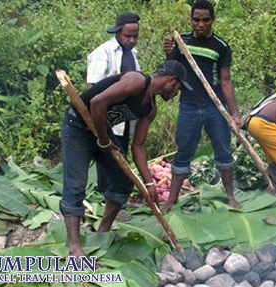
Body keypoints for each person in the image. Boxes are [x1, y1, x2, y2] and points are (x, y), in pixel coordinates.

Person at [60, 60, 192, 259]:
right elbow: (97, 102)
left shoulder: (150, 108)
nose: (175, 95)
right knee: (76, 184)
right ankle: (75, 247)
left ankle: (103, 232)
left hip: (101, 132)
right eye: (178, 89)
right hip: (78, 126)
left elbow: (138, 146)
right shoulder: (136, 81)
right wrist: (104, 141)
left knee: (124, 179)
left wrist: (148, 183)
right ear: (171, 81)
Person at [160, 0, 241, 212]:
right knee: (183, 153)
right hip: (188, 106)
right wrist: (169, 52)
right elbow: (171, 70)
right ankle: (172, 199)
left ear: (213, 20)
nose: (201, 24)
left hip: (215, 108)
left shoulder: (221, 46)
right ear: (191, 20)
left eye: (206, 20)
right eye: (196, 20)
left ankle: (230, 196)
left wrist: (234, 114)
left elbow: (225, 81)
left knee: (223, 152)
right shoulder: (181, 41)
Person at [87, 12, 141, 194]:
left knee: (121, 150)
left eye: (135, 36)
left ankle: (117, 196)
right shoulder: (103, 53)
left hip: (124, 113)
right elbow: (92, 87)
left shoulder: (133, 54)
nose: (132, 40)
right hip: (104, 112)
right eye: (128, 36)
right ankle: (107, 194)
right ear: (118, 32)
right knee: (108, 153)